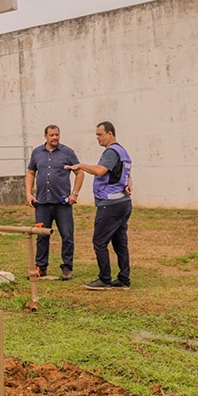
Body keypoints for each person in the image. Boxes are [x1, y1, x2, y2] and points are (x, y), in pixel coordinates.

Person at [67, 121, 134, 290]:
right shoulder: (123, 151)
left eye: (100, 134)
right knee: (120, 242)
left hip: (110, 204)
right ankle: (124, 279)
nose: (97, 138)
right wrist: (127, 185)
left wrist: (81, 165)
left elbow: (100, 171)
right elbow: (127, 175)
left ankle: (105, 279)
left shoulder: (111, 152)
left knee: (99, 242)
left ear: (110, 134)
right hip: (123, 202)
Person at [25, 124, 85, 281]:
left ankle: (67, 268)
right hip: (42, 203)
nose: (55, 138)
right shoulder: (37, 153)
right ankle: (41, 267)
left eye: (57, 135)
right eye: (51, 135)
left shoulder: (67, 153)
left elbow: (80, 173)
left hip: (62, 204)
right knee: (41, 236)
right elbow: (31, 172)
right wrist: (28, 193)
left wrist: (75, 194)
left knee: (67, 235)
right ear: (45, 136)